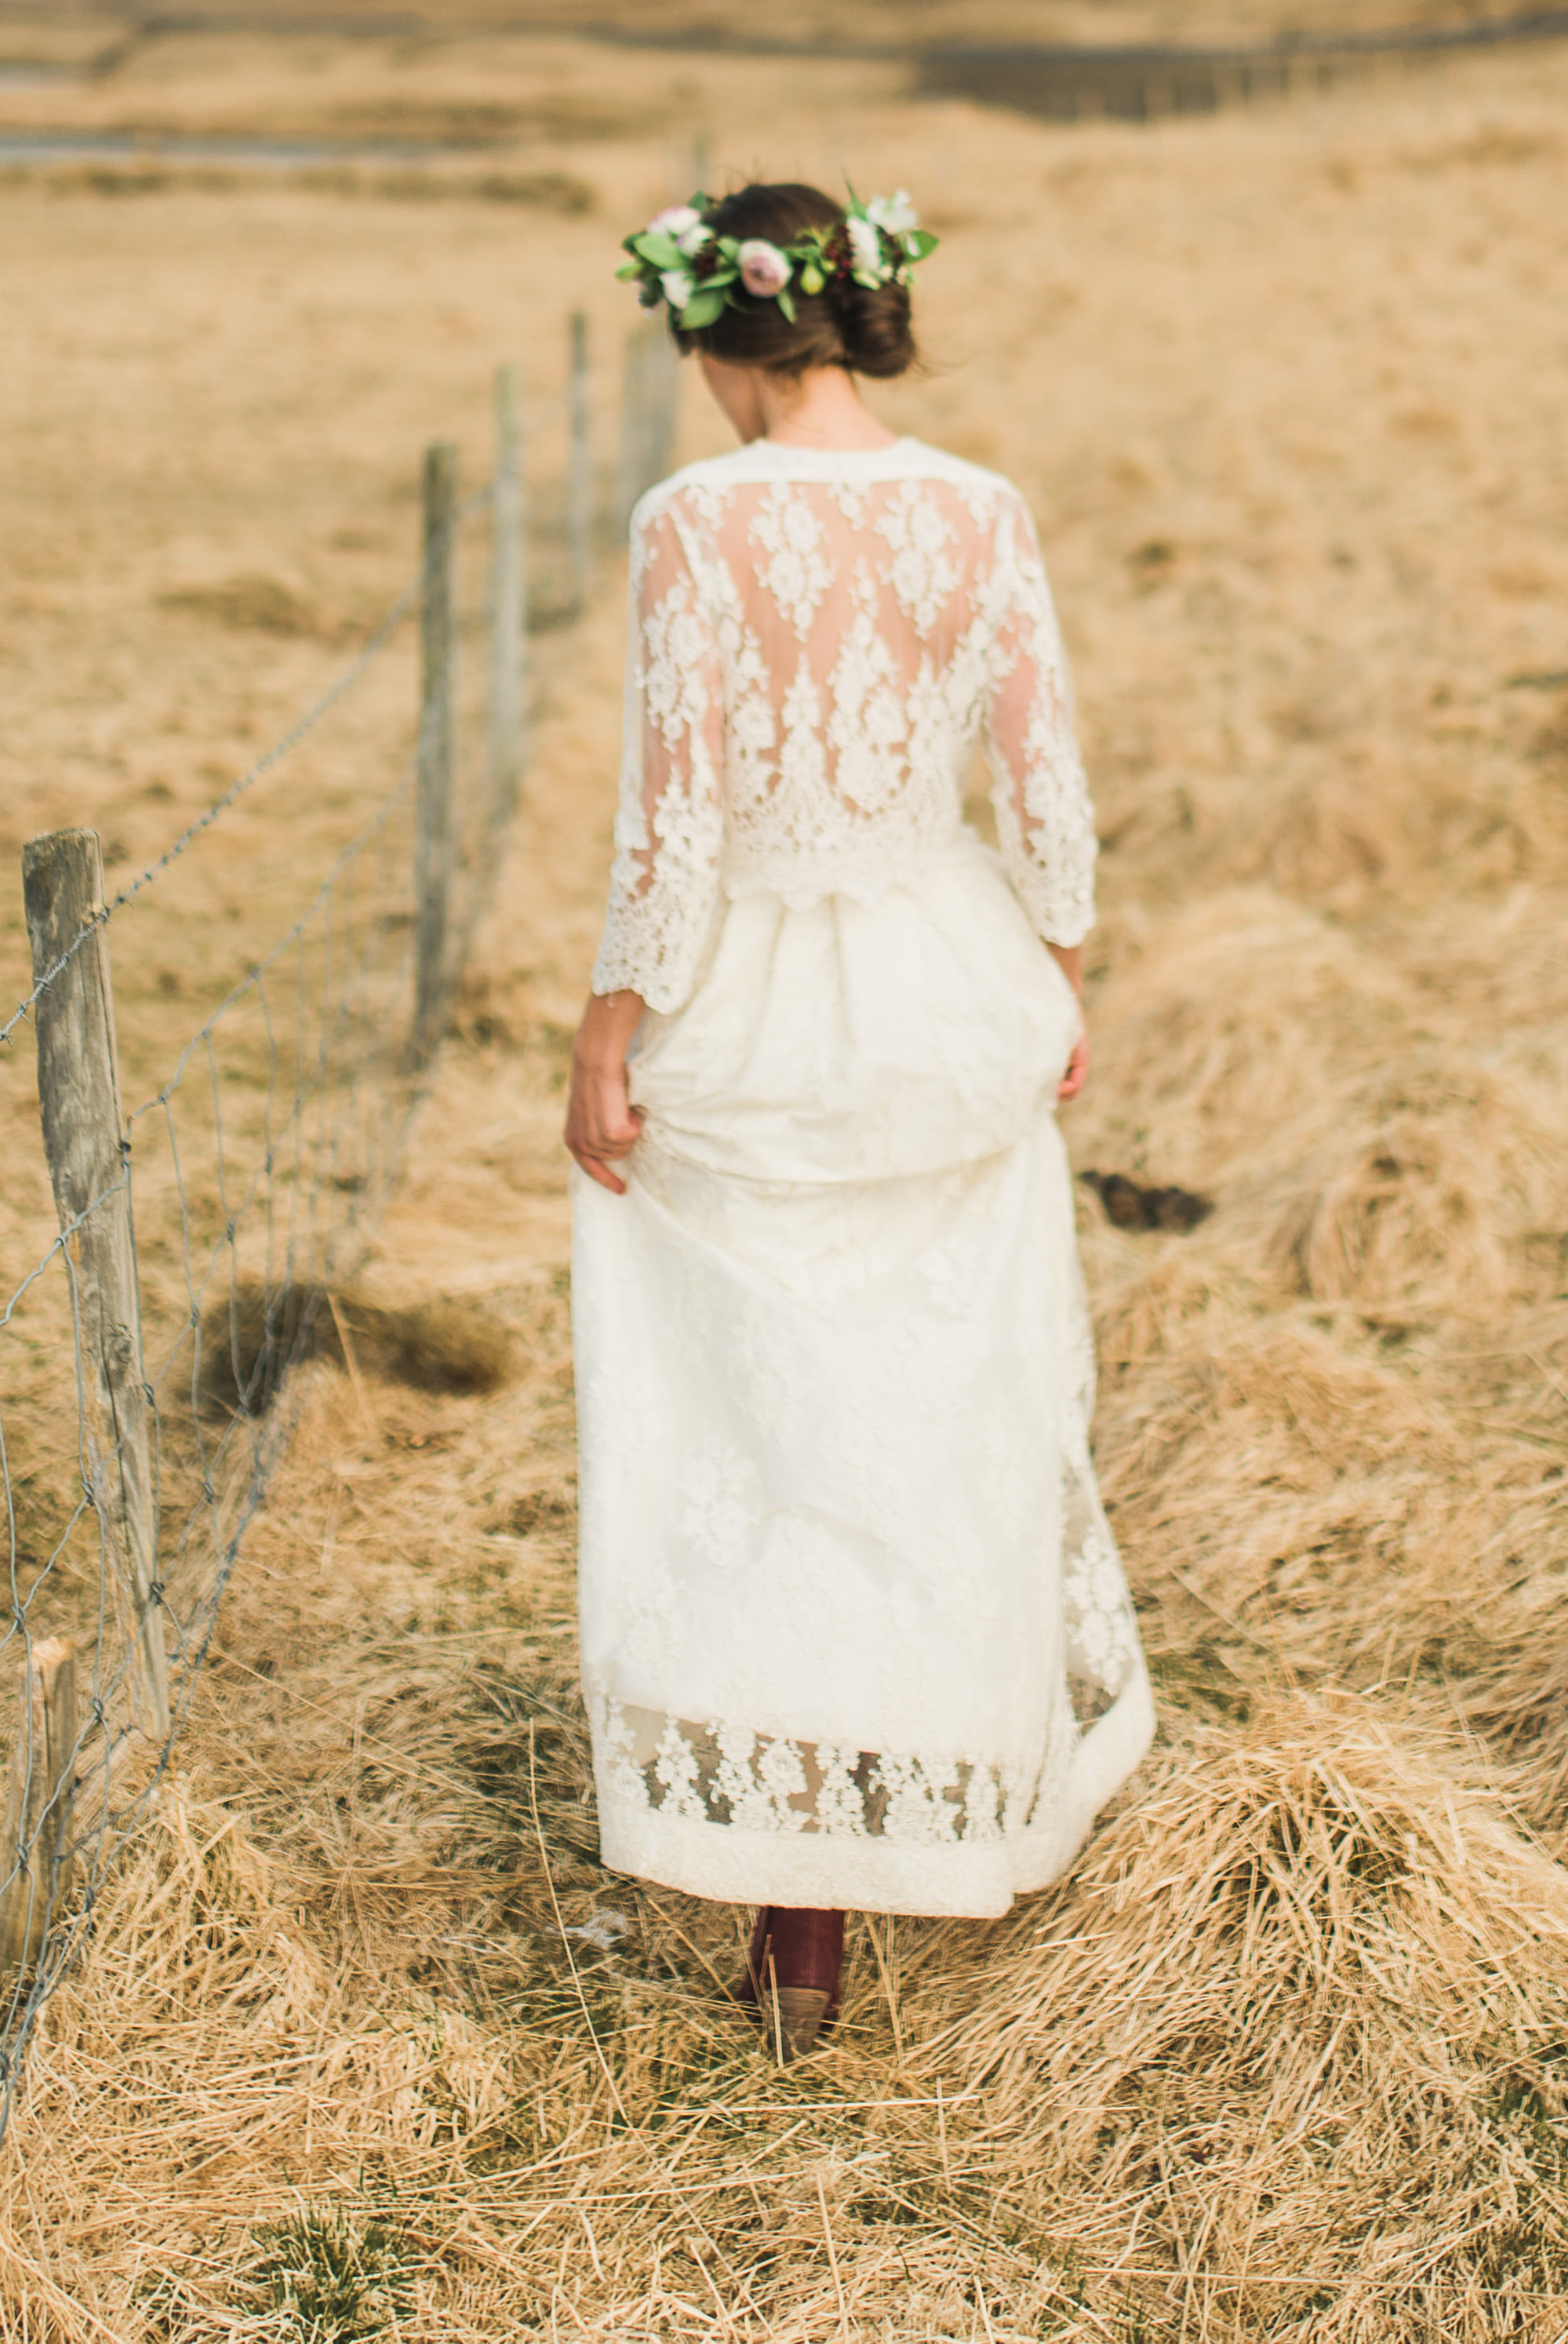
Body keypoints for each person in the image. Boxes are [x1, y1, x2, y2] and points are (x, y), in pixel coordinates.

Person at [564, 180, 1153, 2051]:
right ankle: (938, 1794)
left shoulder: (690, 522)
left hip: (752, 1000)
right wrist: (1058, 971)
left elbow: (670, 827)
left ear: (710, 332)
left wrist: (605, 1028)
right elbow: (1045, 778)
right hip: (940, 978)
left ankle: (795, 1901)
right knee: (944, 1401)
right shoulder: (980, 510)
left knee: (757, 1416)